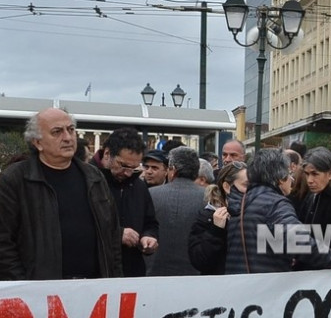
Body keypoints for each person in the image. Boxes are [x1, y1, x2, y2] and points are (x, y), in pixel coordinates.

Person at [0, 108, 122, 279]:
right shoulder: (16, 179)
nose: (67, 137)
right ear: (37, 142)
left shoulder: (94, 177)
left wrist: (114, 282)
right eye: (57, 132)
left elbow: (112, 236)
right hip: (41, 293)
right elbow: (4, 243)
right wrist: (24, 287)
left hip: (94, 291)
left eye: (70, 130)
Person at [225, 148, 331, 276]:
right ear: (280, 178)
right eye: (288, 174)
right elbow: (297, 241)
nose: (292, 179)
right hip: (266, 287)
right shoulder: (274, 204)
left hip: (238, 285)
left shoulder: (242, 201)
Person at [101, 127, 159, 277]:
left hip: (132, 272)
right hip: (98, 274)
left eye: (134, 168)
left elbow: (150, 222)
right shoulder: (89, 182)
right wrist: (117, 234)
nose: (127, 173)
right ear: (107, 154)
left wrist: (149, 237)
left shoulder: (139, 186)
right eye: (123, 165)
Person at [148, 146, 206, 276]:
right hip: (195, 274)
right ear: (196, 172)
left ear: (172, 170)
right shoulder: (208, 198)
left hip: (155, 273)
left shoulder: (151, 194)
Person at [188, 161, 248, 275]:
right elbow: (199, 261)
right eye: (245, 185)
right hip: (219, 285)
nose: (251, 191)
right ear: (226, 187)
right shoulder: (208, 216)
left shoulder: (254, 213)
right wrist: (216, 231)